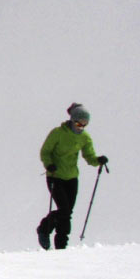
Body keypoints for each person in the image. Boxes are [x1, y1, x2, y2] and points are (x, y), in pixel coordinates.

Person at [37, 103, 108, 250]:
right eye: (78, 123)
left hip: (72, 178)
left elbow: (89, 156)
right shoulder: (57, 133)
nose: (81, 127)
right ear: (72, 120)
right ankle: (45, 229)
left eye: (84, 124)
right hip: (55, 176)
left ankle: (60, 247)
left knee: (67, 212)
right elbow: (45, 151)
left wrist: (97, 160)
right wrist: (49, 164)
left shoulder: (84, 137)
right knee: (64, 210)